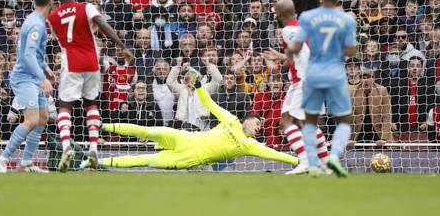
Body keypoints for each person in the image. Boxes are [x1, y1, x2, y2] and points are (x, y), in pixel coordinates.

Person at [98, 69, 298, 170]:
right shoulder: (231, 120)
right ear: (248, 119)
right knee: (146, 131)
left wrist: (295, 160)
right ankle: (103, 125)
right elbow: (209, 104)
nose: (258, 129)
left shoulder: (249, 145)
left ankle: (98, 162)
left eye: (260, 129)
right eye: (257, 124)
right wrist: (199, 85)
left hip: (189, 159)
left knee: (142, 161)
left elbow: (272, 154)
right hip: (185, 137)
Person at [48, 0, 132, 172]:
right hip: (92, 60)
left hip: (71, 62)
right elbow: (103, 25)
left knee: (65, 106)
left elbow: (59, 40)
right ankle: (94, 148)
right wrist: (122, 46)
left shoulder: (52, 17)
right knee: (91, 104)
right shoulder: (86, 7)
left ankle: (67, 145)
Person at [288, 0, 357, 177]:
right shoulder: (346, 19)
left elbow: (297, 46)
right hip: (335, 74)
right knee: (343, 120)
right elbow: (351, 51)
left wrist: (287, 54)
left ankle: (312, 164)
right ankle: (333, 156)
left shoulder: (307, 18)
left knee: (309, 121)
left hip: (313, 74)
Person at [0, 0, 55, 173]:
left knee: (43, 118)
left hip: (33, 76)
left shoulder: (33, 19)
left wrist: (45, 67)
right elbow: (27, 55)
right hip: (24, 78)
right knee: (31, 120)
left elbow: (32, 53)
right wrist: (42, 78)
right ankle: (2, 160)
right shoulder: (36, 24)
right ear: (51, 2)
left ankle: (27, 162)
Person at [269, 0, 330, 175]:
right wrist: (283, 58)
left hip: (304, 81)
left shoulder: (288, 30)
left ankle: (304, 161)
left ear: (280, 16)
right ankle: (326, 164)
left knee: (287, 121)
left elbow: (302, 51)